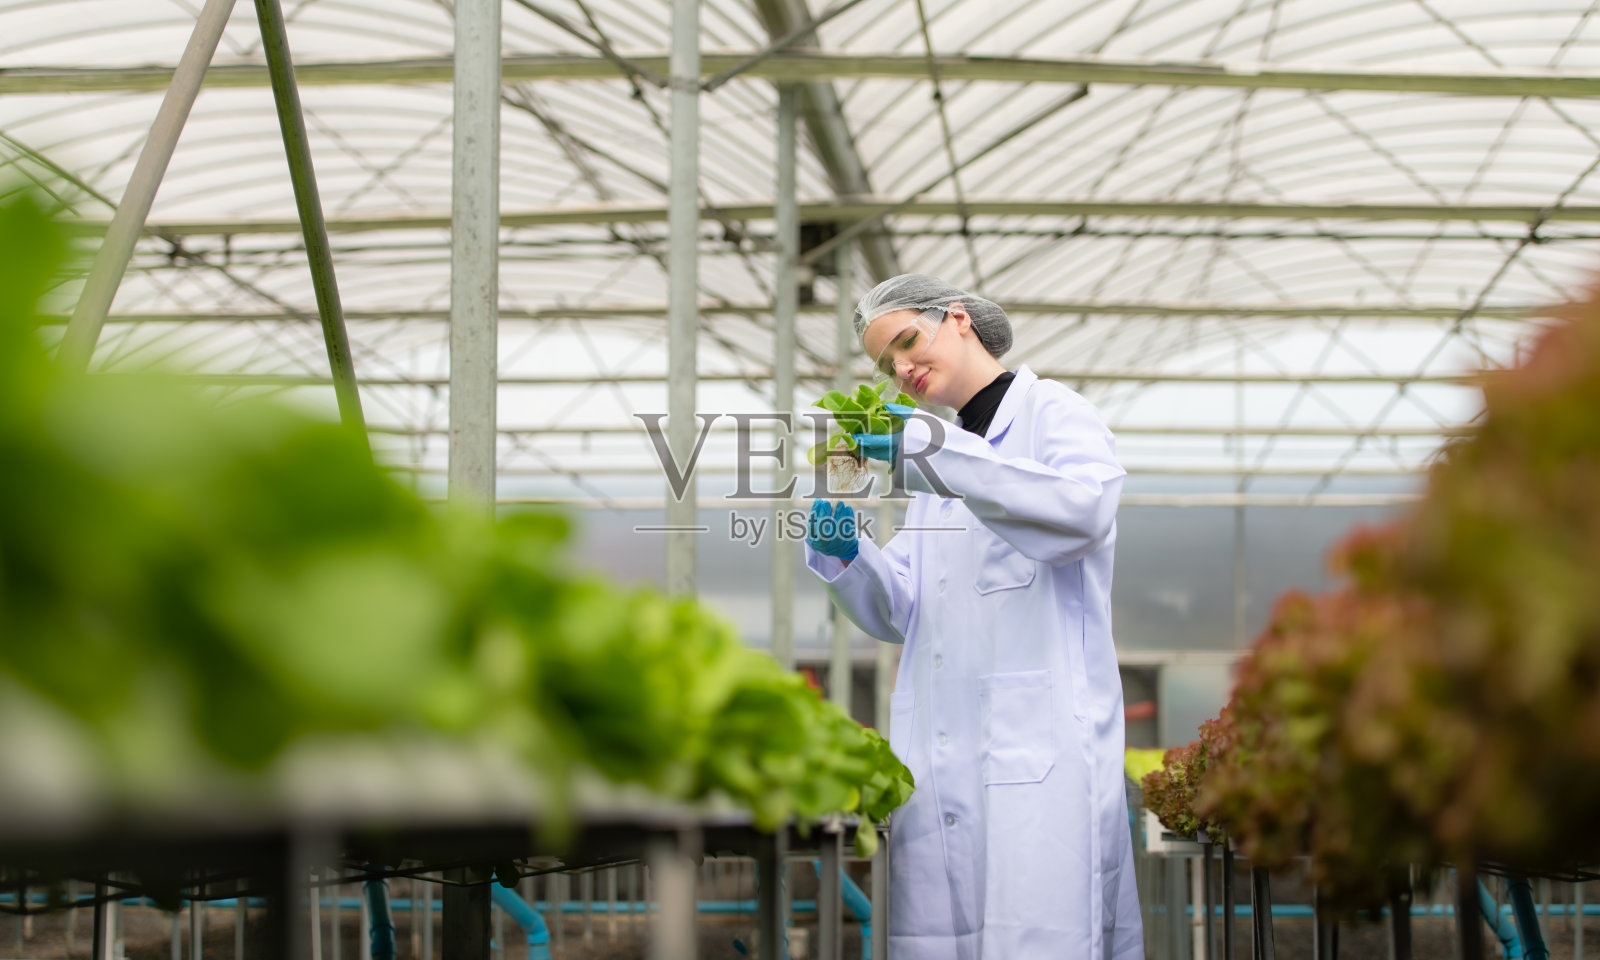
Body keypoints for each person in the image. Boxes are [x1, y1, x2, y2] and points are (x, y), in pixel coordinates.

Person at [804, 274, 1143, 959]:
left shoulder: (1051, 415)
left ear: (957, 319)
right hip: (945, 755)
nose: (900, 369)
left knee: (1042, 933)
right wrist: (850, 552)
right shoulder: (941, 467)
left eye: (906, 341)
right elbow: (908, 606)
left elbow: (1082, 513)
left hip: (1040, 754)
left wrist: (939, 456)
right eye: (885, 363)